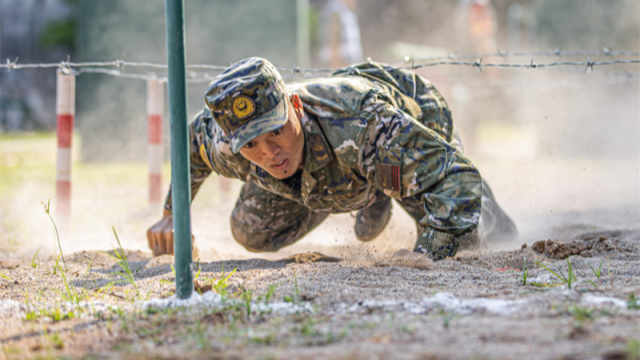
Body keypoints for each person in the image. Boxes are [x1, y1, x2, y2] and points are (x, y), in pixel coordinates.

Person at [147, 57, 517, 261]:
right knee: (250, 230)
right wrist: (171, 214)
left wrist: (424, 257)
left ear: (294, 106)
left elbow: (458, 180)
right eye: (251, 145)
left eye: (276, 131)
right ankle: (368, 195)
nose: (268, 153)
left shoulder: (366, 129)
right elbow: (194, 140)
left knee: (462, 235)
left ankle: (383, 188)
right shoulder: (227, 144)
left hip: (410, 119)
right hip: (340, 167)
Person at [319, 0, 363, 67]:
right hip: (342, 65)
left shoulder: (344, 9)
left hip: (347, 64)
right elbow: (333, 40)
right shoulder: (335, 9)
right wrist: (337, 68)